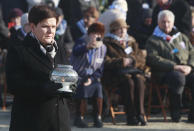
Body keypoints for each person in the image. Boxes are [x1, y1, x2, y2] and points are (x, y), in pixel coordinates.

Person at [6, 5, 72, 131]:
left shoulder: (60, 48)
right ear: (32, 26)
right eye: (45, 26)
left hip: (60, 121)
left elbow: (66, 75)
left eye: (53, 26)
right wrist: (43, 88)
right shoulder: (19, 50)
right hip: (31, 121)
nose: (50, 31)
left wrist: (71, 85)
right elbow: (13, 85)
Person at [146, 10, 194, 122]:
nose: (166, 24)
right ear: (158, 23)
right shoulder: (153, 40)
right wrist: (174, 66)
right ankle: (176, 112)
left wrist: (190, 66)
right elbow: (153, 59)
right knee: (178, 78)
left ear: (173, 22)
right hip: (165, 73)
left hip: (186, 69)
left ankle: (192, 116)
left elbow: (192, 52)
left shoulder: (181, 37)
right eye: (163, 22)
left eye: (168, 22)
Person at [102, 19, 147, 126]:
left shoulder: (131, 41)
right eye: (119, 29)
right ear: (113, 30)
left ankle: (140, 114)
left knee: (139, 80)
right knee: (129, 82)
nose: (123, 31)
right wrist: (121, 61)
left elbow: (141, 58)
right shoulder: (107, 43)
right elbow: (105, 62)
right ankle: (131, 116)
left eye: (124, 28)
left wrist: (133, 60)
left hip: (133, 71)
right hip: (115, 74)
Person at [71, 22, 106, 128]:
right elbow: (75, 52)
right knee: (82, 85)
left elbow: (100, 68)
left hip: (92, 76)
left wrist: (92, 77)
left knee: (98, 87)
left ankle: (97, 117)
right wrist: (87, 47)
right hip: (78, 74)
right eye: (94, 33)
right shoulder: (81, 41)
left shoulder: (103, 48)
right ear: (89, 33)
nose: (96, 36)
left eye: (99, 34)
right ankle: (79, 117)